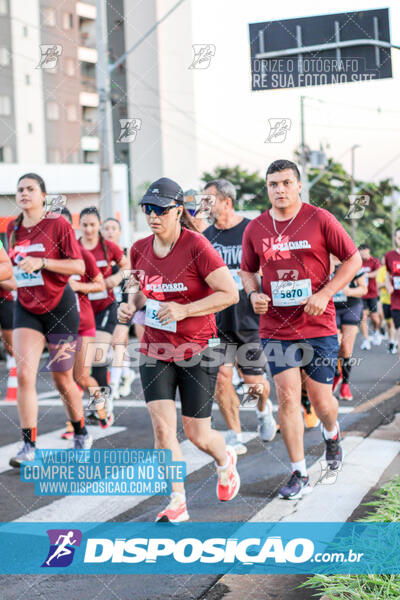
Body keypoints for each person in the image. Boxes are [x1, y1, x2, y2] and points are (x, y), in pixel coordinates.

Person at [118, 177, 240, 522]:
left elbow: (229, 293)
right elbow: (139, 287)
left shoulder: (197, 246)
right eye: (147, 209)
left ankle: (224, 458)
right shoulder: (139, 248)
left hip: (197, 348)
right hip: (155, 348)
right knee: (162, 430)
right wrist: (129, 306)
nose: (152, 216)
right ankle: (177, 500)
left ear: (178, 211)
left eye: (160, 209)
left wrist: (185, 309)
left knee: (198, 433)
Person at [240, 159, 361, 500]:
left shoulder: (319, 219)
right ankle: (299, 472)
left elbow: (353, 260)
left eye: (285, 182)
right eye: (273, 184)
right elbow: (246, 270)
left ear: (298, 185)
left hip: (317, 324)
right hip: (276, 327)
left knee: (322, 401)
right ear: (268, 189)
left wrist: (325, 294)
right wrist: (253, 293)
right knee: (288, 398)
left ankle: (332, 433)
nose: (279, 189)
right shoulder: (257, 228)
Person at [7, 173, 92, 467]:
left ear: (43, 195)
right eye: (20, 190)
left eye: (30, 189)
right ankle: (28, 446)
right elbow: (13, 271)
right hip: (27, 307)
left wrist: (42, 262)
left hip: (60, 307)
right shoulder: (13, 228)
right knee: (24, 374)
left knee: (62, 379)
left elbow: (79, 265)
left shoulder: (58, 224)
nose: (24, 193)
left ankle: (81, 431)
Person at [203, 178, 276, 455]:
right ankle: (235, 433)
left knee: (254, 384)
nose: (205, 206)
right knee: (221, 376)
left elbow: (270, 269)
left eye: (209, 201)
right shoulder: (206, 237)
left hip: (249, 321)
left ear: (227, 202)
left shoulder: (252, 230)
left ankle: (262, 410)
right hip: (217, 322)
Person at [79, 207, 128, 424]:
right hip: (82, 309)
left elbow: (128, 266)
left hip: (106, 307)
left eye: (92, 225)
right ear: (79, 226)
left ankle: (103, 404)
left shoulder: (109, 247)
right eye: (85, 225)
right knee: (81, 363)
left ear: (99, 225)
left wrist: (116, 280)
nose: (89, 229)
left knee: (98, 355)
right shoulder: (74, 248)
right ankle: (96, 402)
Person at [60, 208, 107, 436]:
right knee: (64, 378)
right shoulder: (44, 258)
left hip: (83, 323)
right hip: (58, 325)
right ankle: (74, 422)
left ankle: (100, 404)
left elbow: (100, 285)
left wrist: (78, 287)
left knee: (80, 376)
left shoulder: (82, 254)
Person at [102, 217, 137, 398]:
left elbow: (133, 281)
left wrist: (131, 304)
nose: (109, 231)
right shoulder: (99, 254)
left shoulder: (126, 253)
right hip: (105, 306)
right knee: (114, 345)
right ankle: (126, 373)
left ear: (119, 231)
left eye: (113, 228)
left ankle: (114, 385)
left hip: (124, 304)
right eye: (106, 228)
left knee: (116, 343)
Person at [331, 255, 367, 401]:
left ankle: (345, 385)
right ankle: (335, 373)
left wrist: (349, 291)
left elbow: (363, 289)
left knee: (346, 347)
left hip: (351, 307)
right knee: (333, 345)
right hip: (331, 308)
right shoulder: (323, 260)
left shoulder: (351, 261)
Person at [359, 244, 381, 350]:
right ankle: (366, 340)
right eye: (360, 251)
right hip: (361, 294)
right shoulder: (358, 262)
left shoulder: (375, 261)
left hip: (372, 293)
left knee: (374, 318)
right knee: (363, 317)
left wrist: (366, 275)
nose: (362, 253)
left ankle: (376, 332)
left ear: (368, 250)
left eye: (364, 251)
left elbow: (378, 272)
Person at [385, 228, 400, 365]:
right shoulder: (389, 256)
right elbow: (388, 274)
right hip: (396, 302)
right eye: (399, 238)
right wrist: (387, 285)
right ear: (395, 239)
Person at [376, 256, 396, 354]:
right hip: (385, 300)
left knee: (393, 323)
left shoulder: (397, 267)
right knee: (388, 323)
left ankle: (393, 342)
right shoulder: (381, 270)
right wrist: (388, 283)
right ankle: (391, 341)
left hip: (396, 301)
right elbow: (378, 285)